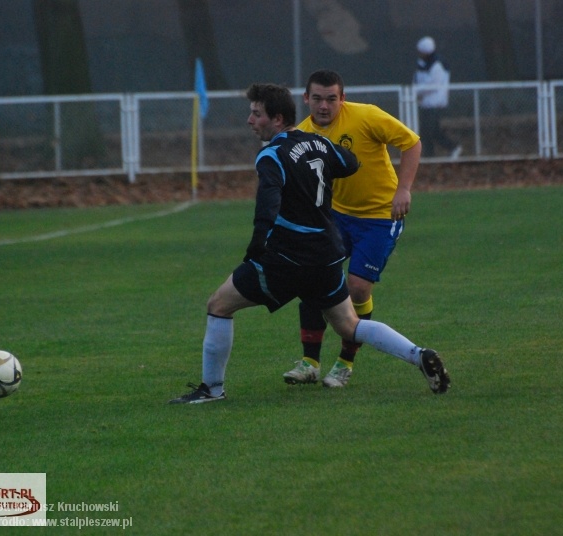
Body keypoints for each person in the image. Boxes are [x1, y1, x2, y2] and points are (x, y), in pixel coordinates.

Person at [169, 83, 450, 404]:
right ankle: (419, 354)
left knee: (218, 305)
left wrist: (257, 245)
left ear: (277, 119)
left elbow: (267, 204)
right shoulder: (319, 142)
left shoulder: (271, 155)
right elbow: (350, 163)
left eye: (256, 114)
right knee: (349, 324)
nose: (250, 120)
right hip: (326, 255)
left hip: (288, 257)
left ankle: (212, 389)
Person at [282, 69, 422, 389]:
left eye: (331, 99)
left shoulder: (366, 116)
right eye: (317, 98)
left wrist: (404, 189)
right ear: (306, 98)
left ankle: (345, 363)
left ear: (342, 98)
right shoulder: (301, 135)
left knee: (358, 289)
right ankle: (309, 363)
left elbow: (411, 142)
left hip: (380, 217)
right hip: (337, 217)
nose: (324, 106)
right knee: (312, 277)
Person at [413, 36, 462, 159]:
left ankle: (450, 148)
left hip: (434, 103)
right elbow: (419, 79)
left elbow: (433, 85)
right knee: (429, 131)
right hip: (426, 102)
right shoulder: (423, 64)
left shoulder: (437, 65)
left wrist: (416, 90)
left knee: (429, 130)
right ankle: (432, 154)